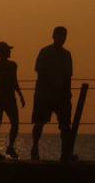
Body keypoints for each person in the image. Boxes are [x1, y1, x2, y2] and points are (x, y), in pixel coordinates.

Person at [31, 26, 73, 161]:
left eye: (64, 35)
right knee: (39, 123)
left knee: (65, 125)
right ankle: (35, 148)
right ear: (54, 36)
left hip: (61, 95)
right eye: (60, 35)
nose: (62, 38)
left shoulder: (67, 55)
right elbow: (40, 72)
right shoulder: (45, 52)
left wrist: (67, 93)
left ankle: (65, 152)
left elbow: (68, 77)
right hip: (44, 94)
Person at [0, 41, 25, 161]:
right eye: (8, 50)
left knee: (10, 123)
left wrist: (20, 95)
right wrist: (19, 95)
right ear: (3, 52)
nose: (10, 52)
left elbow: (14, 82)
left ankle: (8, 147)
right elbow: (9, 82)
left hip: (3, 98)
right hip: (2, 98)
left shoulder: (8, 65)